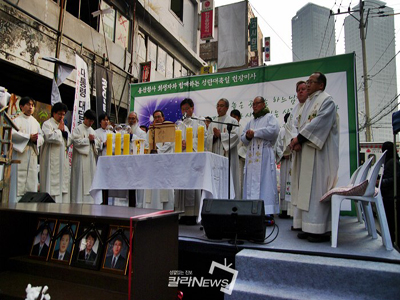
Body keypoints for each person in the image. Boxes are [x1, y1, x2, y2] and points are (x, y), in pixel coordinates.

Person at [289, 72, 339, 243]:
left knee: (316, 189)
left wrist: (299, 139)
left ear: (321, 85)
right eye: (307, 81)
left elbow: (318, 125)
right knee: (306, 190)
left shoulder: (327, 100)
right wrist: (295, 141)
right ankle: (308, 225)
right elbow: (298, 125)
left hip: (320, 154)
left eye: (311, 82)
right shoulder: (308, 103)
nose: (308, 84)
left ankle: (320, 229)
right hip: (306, 150)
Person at [241, 96, 280, 221]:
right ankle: (250, 209)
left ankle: (267, 210)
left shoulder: (270, 117)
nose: (255, 106)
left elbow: (273, 131)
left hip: (264, 155)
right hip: (252, 156)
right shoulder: (250, 122)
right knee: (251, 182)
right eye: (253, 104)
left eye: (257, 103)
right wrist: (247, 136)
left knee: (266, 182)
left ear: (263, 104)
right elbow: (243, 138)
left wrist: (255, 133)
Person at [175, 98, 203, 224]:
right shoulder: (179, 124)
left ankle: (193, 214)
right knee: (181, 184)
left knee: (192, 184)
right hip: (181, 158)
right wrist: (179, 143)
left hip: (193, 157)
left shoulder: (199, 122)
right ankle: (181, 213)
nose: (185, 111)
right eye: (183, 109)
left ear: (192, 108)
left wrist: (191, 143)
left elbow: (204, 138)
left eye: (187, 108)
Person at [10, 96, 44, 202]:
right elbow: (11, 134)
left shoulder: (35, 122)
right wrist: (28, 137)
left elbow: (41, 137)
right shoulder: (15, 119)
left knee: (31, 182)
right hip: (20, 154)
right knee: (17, 185)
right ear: (21, 106)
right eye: (28, 104)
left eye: (32, 105)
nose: (31, 107)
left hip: (31, 154)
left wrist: (36, 140)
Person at [206, 98, 240, 199]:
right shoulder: (213, 122)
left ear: (227, 108)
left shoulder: (232, 121)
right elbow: (207, 138)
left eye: (221, 106)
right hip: (216, 155)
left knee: (229, 179)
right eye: (218, 106)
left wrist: (221, 135)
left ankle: (230, 200)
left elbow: (236, 136)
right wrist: (214, 137)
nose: (219, 108)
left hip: (228, 155)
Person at [40, 102, 71, 203]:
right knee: (51, 184)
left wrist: (65, 134)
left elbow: (69, 140)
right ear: (53, 113)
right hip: (51, 159)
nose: (61, 116)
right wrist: (59, 131)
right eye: (59, 114)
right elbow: (48, 137)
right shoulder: (47, 124)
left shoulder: (64, 127)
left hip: (62, 160)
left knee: (62, 185)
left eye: (63, 114)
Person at [144, 110, 174, 209]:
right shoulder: (150, 131)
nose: (157, 119)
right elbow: (146, 145)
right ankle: (151, 209)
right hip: (152, 164)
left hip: (165, 163)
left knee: (165, 190)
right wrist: (153, 150)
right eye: (155, 117)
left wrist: (157, 150)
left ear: (163, 118)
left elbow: (169, 144)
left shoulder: (168, 129)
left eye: (159, 117)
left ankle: (167, 211)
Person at [70, 109, 101, 203]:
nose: (91, 123)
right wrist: (87, 140)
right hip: (80, 160)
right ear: (85, 118)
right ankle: (78, 203)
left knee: (90, 181)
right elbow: (75, 142)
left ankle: (90, 202)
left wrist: (93, 141)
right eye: (90, 120)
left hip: (90, 160)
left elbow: (98, 143)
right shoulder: (78, 129)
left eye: (92, 121)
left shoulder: (92, 131)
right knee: (80, 183)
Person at [380, 141, 400, 244]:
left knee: (390, 222)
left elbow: (395, 179)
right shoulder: (393, 161)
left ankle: (391, 242)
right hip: (390, 196)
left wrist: (381, 182)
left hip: (390, 197)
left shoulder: (392, 162)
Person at [275, 112, 291, 219]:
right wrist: (283, 155)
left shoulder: (296, 130)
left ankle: (294, 211)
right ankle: (285, 210)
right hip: (286, 161)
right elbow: (278, 146)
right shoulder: (282, 131)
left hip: (294, 160)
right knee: (285, 183)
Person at [230, 109, 246, 197]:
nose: (233, 119)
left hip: (238, 159)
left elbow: (245, 145)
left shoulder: (242, 129)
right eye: (231, 117)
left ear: (239, 118)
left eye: (235, 117)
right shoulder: (228, 129)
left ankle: (237, 199)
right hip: (228, 159)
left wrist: (239, 155)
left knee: (238, 180)